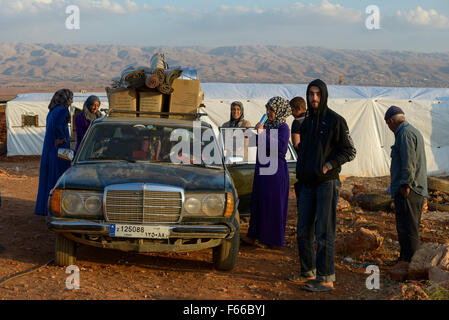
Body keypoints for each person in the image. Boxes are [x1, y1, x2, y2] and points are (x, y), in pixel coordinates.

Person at [292, 79, 356, 292]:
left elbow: (349, 151)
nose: (314, 98)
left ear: (324, 95)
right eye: (310, 94)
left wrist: (329, 165)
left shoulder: (335, 121)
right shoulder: (307, 122)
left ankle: (326, 278)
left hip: (326, 184)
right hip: (307, 183)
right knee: (303, 230)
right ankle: (308, 271)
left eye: (318, 94)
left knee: (324, 231)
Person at [242, 96, 291, 249]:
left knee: (271, 204)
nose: (268, 112)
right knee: (258, 202)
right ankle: (253, 235)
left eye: (272, 110)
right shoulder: (267, 125)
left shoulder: (283, 127)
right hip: (263, 169)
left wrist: (262, 134)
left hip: (275, 172)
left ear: (279, 111)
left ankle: (271, 239)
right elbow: (260, 143)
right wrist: (250, 135)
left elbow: (281, 147)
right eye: (267, 109)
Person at [384, 106, 427, 274]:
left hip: (410, 189)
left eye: (388, 124)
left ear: (391, 121)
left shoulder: (405, 134)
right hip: (412, 188)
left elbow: (409, 161)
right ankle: (404, 259)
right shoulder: (411, 131)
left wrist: (405, 185)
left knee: (409, 227)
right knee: (406, 225)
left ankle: (411, 263)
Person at [34, 89, 73, 216]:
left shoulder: (52, 111)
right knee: (59, 177)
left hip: (50, 148)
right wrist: (62, 138)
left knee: (49, 176)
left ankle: (44, 207)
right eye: (70, 98)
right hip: (60, 149)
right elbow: (59, 126)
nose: (71, 100)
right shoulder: (62, 110)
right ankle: (56, 208)